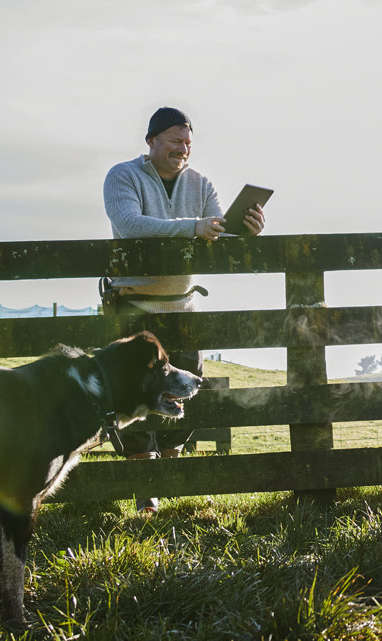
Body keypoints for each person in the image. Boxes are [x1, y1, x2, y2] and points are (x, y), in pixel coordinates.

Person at [101, 106, 267, 513]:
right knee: (133, 395)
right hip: (134, 307)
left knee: (186, 391)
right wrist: (193, 226)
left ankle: (170, 485)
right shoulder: (122, 176)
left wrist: (245, 231)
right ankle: (146, 494)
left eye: (188, 143)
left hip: (184, 307)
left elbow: (215, 232)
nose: (183, 149)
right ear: (152, 141)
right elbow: (130, 224)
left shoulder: (201, 183)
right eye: (175, 141)